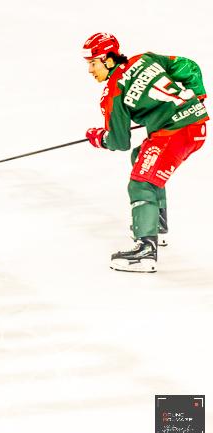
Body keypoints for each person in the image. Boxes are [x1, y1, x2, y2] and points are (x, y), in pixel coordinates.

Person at [83, 33, 208, 272]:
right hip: (195, 124)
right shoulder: (144, 59)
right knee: (140, 158)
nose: (90, 70)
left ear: (109, 60)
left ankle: (145, 251)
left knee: (141, 182)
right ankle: (156, 224)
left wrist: (99, 137)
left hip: (174, 133)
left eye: (93, 63)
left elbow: (119, 141)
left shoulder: (113, 93)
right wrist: (197, 97)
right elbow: (188, 66)